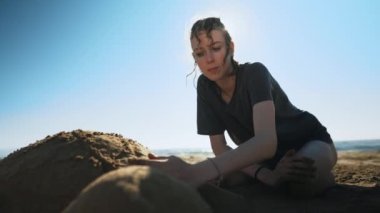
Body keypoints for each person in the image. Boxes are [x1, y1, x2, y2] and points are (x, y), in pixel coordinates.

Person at [130, 17, 337, 199]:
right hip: (266, 161)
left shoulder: (255, 73)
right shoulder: (205, 87)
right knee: (225, 182)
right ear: (195, 58)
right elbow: (220, 148)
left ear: (231, 46)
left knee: (299, 184)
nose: (209, 59)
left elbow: (266, 142)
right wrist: (267, 176)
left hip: (307, 141)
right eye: (200, 53)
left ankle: (325, 174)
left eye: (216, 48)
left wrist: (195, 172)